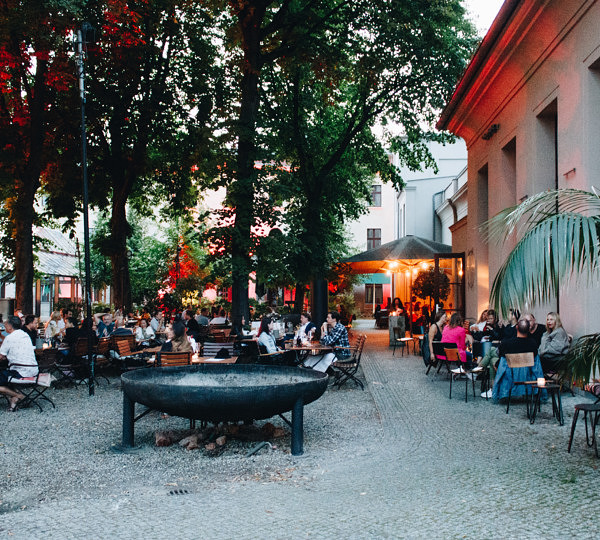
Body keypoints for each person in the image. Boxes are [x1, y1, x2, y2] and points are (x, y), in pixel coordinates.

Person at [479, 318, 537, 398]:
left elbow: (500, 359)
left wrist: (496, 364)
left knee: (493, 359)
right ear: (529, 329)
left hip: (510, 374)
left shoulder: (507, 343)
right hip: (527, 374)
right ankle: (490, 387)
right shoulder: (533, 343)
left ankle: (489, 385)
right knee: (493, 357)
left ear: (516, 327)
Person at [0, 316, 38, 411]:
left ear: (9, 326)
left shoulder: (9, 338)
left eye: (5, 324)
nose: (4, 326)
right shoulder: (25, 335)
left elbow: (1, 356)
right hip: (33, 370)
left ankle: (18, 396)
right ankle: (14, 400)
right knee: (5, 373)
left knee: (5, 374)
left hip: (21, 371)